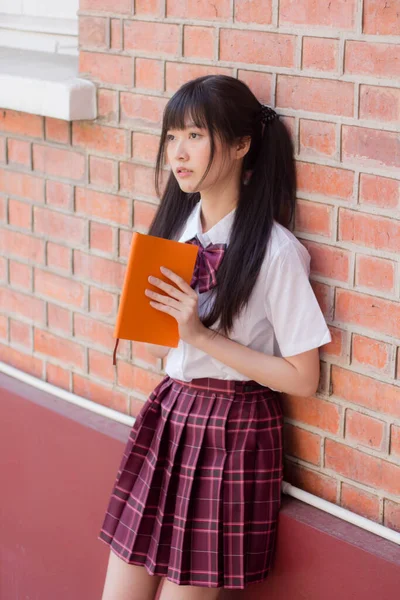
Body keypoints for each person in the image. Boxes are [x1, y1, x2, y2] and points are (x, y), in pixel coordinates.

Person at [98, 74, 332, 600]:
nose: (179, 153)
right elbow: (157, 348)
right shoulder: (178, 231)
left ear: (242, 144)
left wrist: (200, 336)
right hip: (169, 416)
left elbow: (303, 379)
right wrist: (145, 314)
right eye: (172, 137)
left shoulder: (276, 252)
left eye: (196, 136)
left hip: (231, 431)